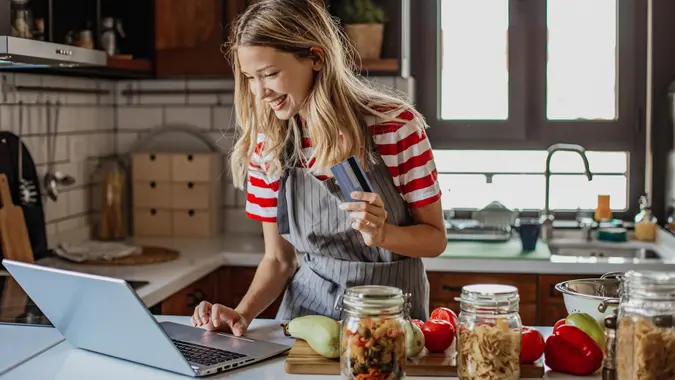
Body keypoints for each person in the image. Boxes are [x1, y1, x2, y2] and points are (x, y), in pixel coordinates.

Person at [192, 0, 447, 336]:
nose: (260, 91)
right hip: (305, 320)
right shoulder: (268, 146)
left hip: (391, 319)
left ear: (316, 57)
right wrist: (241, 313)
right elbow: (279, 261)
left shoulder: (395, 126)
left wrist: (384, 235)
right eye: (250, 78)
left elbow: (435, 239)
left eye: (270, 74)